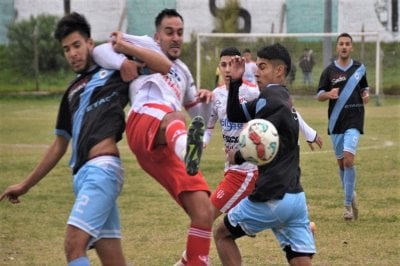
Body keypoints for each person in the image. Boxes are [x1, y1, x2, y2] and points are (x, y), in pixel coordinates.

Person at [0, 12, 142, 266]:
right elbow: (58, 145)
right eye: (66, 49)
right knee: (113, 260)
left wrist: (123, 50)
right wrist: (25, 185)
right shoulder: (71, 92)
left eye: (77, 45)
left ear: (90, 43)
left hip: (103, 171)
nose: (72, 53)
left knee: (73, 244)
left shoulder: (112, 71)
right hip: (82, 178)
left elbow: (147, 60)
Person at [93, 8, 214, 265]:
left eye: (180, 32)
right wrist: (123, 62)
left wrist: (208, 101)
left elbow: (199, 116)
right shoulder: (145, 45)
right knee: (175, 118)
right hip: (143, 121)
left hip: (170, 139)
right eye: (169, 32)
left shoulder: (184, 72)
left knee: (204, 211)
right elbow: (99, 51)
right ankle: (186, 151)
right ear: (157, 36)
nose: (176, 37)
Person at [213, 43, 316, 266]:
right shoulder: (277, 98)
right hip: (295, 198)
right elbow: (235, 113)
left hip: (272, 196)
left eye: (263, 66)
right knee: (299, 259)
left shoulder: (271, 98)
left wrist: (236, 156)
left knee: (222, 234)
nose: (257, 71)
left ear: (279, 71)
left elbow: (261, 141)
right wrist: (236, 82)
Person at [316, 32, 369, 221]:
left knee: (348, 161)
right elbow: (319, 94)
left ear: (351, 47)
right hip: (336, 121)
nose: (344, 47)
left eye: (347, 44)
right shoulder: (329, 71)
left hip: (354, 119)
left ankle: (347, 206)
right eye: (341, 44)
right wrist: (328, 94)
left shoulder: (359, 68)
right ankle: (350, 193)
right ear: (337, 47)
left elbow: (364, 87)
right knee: (340, 164)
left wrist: (366, 94)